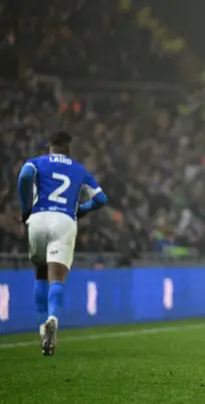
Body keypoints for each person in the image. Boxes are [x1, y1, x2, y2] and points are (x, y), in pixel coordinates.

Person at [17, 131, 108, 355]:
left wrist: (25, 208)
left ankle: (41, 330)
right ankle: (53, 318)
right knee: (56, 278)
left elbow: (25, 177)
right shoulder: (79, 169)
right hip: (64, 220)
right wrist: (82, 210)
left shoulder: (36, 162)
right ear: (69, 148)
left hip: (38, 218)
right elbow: (101, 199)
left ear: (50, 146)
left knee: (40, 273)